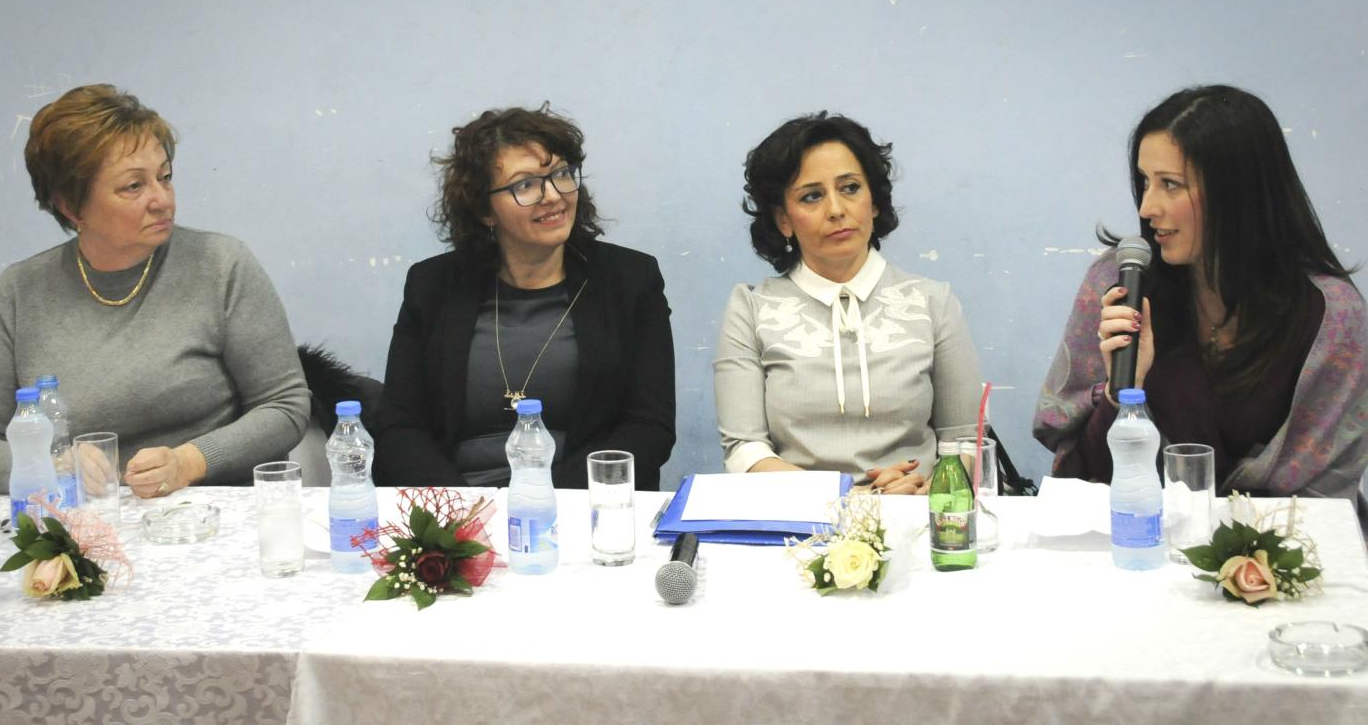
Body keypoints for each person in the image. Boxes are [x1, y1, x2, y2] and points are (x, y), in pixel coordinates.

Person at [0, 85, 310, 498]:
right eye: (133, 186)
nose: (162, 199)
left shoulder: (221, 265)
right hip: (83, 516)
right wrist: (51, 467)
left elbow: (285, 406)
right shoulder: (19, 291)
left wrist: (189, 462)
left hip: (208, 509)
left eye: (165, 177)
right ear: (71, 206)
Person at [1034, 84, 1367, 501]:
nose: (1147, 208)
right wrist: (1121, 394)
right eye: (1145, 182)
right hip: (1141, 530)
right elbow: (1085, 476)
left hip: (1280, 538)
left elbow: (1326, 489)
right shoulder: (1119, 284)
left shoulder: (1329, 315)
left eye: (1171, 185)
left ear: (1238, 193)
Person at [373, 105, 675, 491]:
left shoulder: (630, 280)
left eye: (561, 174)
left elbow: (649, 427)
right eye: (526, 185)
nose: (553, 196)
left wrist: (543, 502)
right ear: (484, 209)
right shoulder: (433, 286)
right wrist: (463, 507)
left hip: (580, 501)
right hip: (459, 504)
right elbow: (400, 426)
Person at [714, 113, 982, 493]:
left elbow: (966, 441)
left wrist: (931, 490)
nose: (837, 209)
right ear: (783, 220)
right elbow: (745, 451)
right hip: (800, 518)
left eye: (851, 188)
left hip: (918, 510)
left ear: (874, 203)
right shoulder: (752, 308)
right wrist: (853, 499)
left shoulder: (932, 302)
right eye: (811, 196)